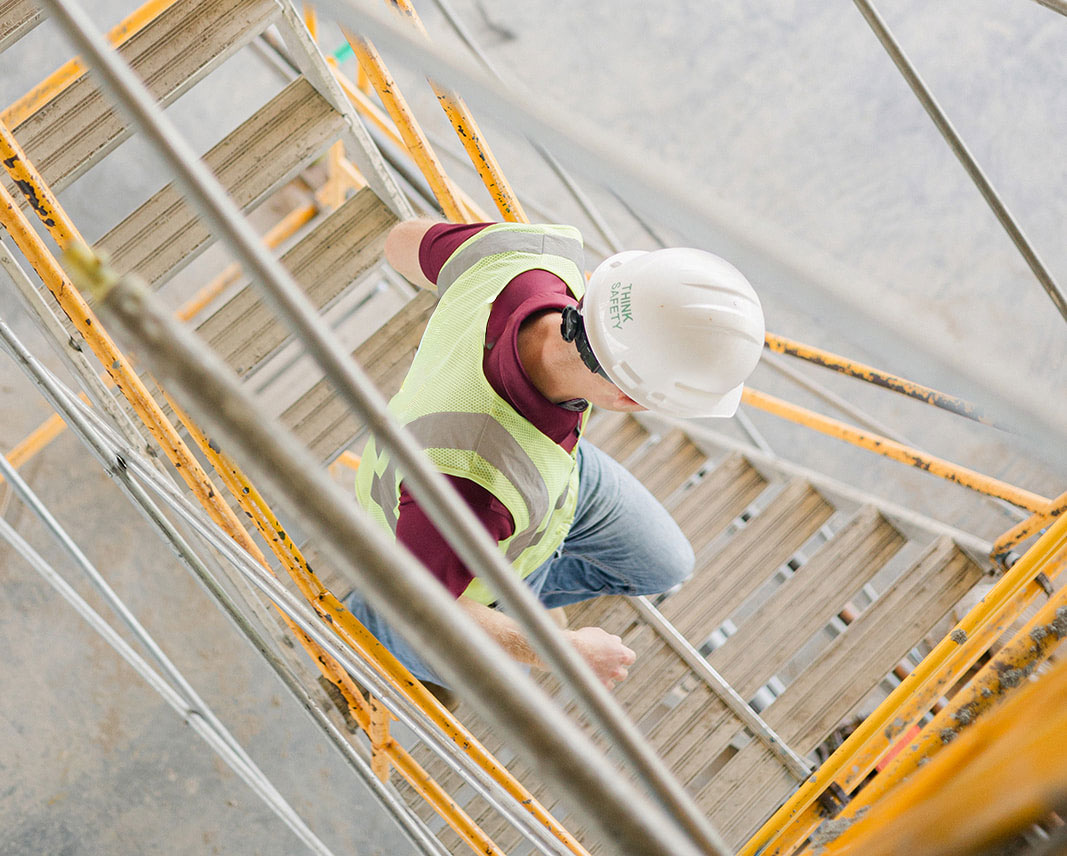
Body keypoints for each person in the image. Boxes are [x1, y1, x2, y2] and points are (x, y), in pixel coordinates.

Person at [344, 219, 765, 693]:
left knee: (666, 566)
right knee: (509, 682)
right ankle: (372, 618)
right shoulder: (471, 485)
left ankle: (517, 597)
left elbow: (400, 242)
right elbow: (417, 598)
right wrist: (563, 651)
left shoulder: (527, 257)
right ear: (631, 400)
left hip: (541, 491)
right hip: (430, 548)